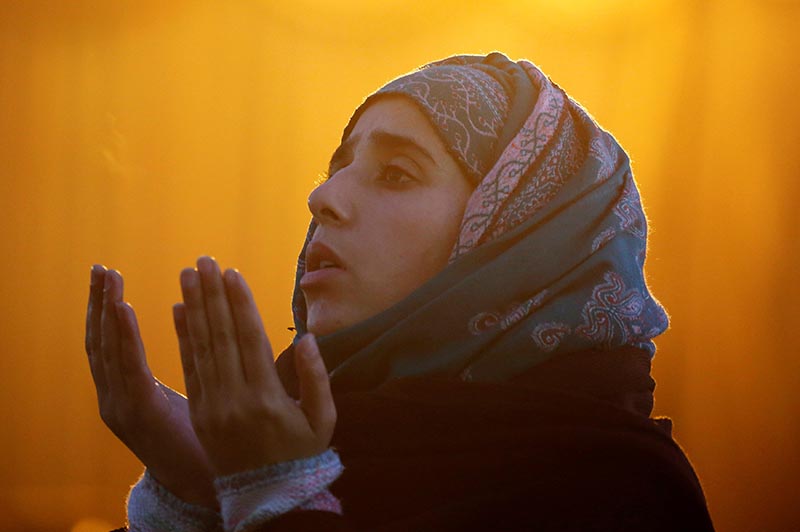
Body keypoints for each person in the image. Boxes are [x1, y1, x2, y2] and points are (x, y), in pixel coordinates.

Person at [85, 52, 715, 531]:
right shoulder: (304, 433)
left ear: (513, 235)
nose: (322, 199)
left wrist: (278, 495)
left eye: (395, 174)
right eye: (336, 170)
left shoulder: (619, 489)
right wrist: (191, 495)